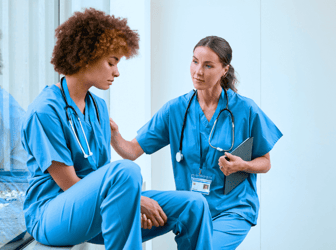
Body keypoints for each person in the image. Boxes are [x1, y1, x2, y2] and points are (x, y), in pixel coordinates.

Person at [21, 8, 212, 250]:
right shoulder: (45, 110)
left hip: (96, 212)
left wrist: (129, 202)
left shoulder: (98, 108)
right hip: (50, 217)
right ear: (87, 56)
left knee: (193, 205)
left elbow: (100, 174)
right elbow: (70, 184)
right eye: (111, 62)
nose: (117, 72)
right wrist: (134, 201)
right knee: (126, 171)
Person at [111, 36, 283, 249]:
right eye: (195, 62)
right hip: (191, 213)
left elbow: (265, 162)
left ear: (224, 70)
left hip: (233, 208)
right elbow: (131, 151)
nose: (198, 71)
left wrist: (243, 165)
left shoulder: (245, 110)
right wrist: (113, 134)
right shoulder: (175, 110)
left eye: (208, 65)